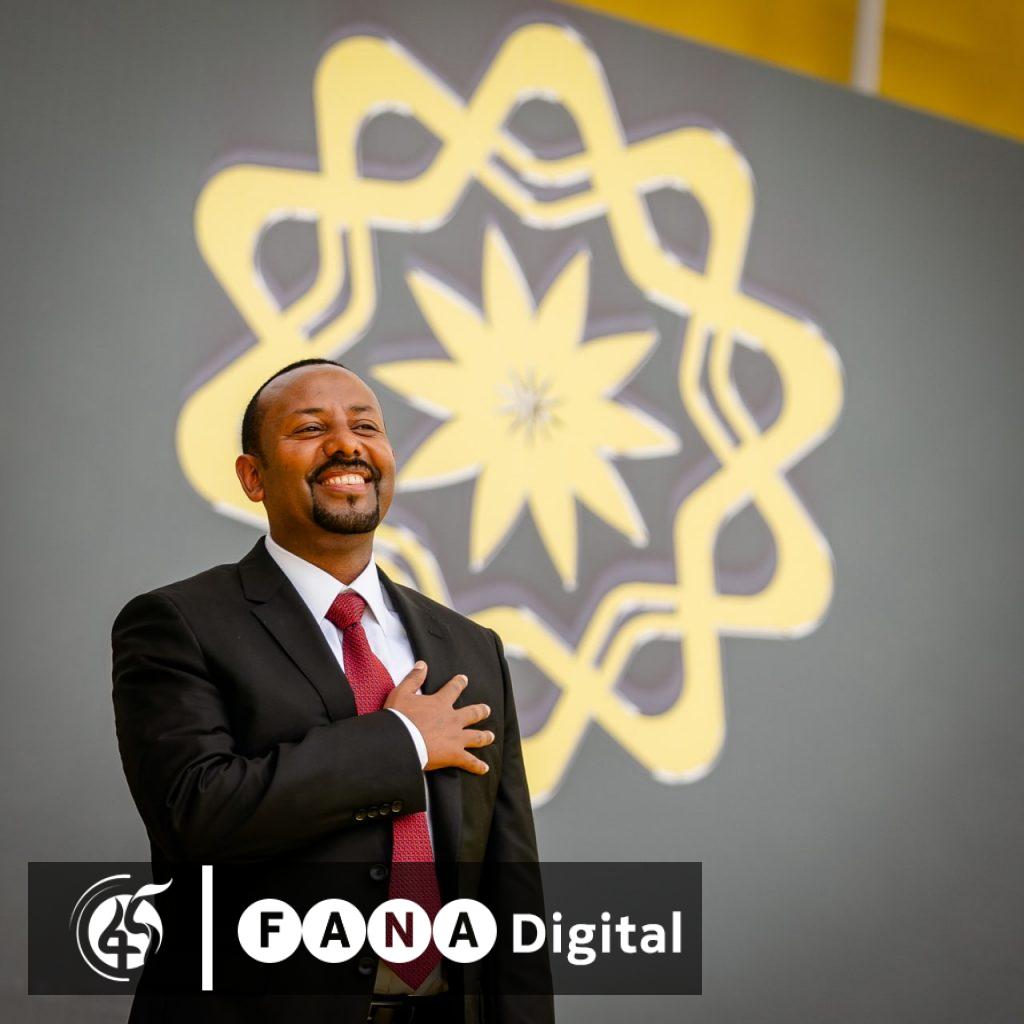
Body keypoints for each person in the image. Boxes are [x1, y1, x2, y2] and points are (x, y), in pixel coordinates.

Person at [112, 358, 554, 1023]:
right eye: (311, 428)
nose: (347, 445)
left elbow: (507, 881)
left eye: (366, 427)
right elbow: (196, 815)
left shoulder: (470, 647)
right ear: (253, 476)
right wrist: (401, 743)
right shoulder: (178, 624)